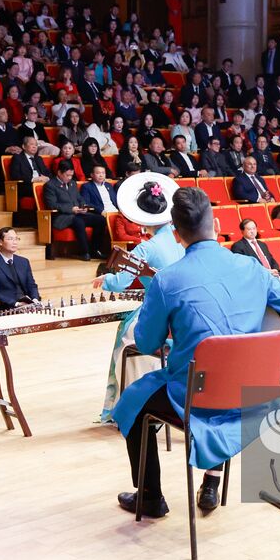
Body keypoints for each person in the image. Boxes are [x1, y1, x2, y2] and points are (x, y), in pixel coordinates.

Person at [114, 187, 280, 518]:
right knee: (224, 380)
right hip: (258, 390)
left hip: (194, 393)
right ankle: (212, 481)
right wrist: (256, 339)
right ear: (216, 225)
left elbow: (146, 344)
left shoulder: (166, 280)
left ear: (177, 235)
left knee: (132, 402)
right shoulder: (252, 268)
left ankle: (150, 497)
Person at [95, 172, 186, 423]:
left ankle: (128, 407)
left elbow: (121, 282)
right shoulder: (182, 237)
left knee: (125, 339)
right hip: (185, 312)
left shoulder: (146, 247)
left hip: (159, 313)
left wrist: (106, 280)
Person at [43, 160, 110, 261]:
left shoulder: (72, 183)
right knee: (78, 221)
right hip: (62, 216)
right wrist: (71, 209)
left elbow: (80, 199)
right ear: (59, 173)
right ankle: (85, 252)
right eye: (67, 175)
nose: (70, 178)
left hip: (78, 213)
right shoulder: (50, 185)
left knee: (100, 220)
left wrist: (83, 207)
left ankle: (95, 250)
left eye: (71, 175)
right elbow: (52, 205)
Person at [0, 227, 40, 310]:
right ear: (0, 242)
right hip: (7, 306)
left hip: (28, 303)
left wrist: (35, 299)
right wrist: (17, 304)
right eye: (10, 239)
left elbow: (31, 285)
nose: (15, 242)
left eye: (16, 239)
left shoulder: (24, 261)